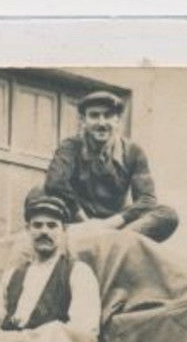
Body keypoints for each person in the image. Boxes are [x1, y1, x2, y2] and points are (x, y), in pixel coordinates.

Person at [42, 91, 179, 244]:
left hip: (117, 224)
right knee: (38, 194)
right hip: (79, 221)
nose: (101, 123)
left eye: (108, 116)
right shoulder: (70, 146)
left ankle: (115, 241)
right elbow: (55, 183)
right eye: (94, 116)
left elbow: (147, 199)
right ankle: (110, 240)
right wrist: (86, 223)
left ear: (118, 120)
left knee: (167, 214)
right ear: (82, 121)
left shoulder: (134, 152)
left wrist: (109, 224)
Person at [0, 192, 102, 338]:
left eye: (52, 226)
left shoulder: (78, 273)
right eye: (37, 225)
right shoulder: (13, 275)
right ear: (28, 229)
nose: (44, 231)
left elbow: (83, 331)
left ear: (64, 230)